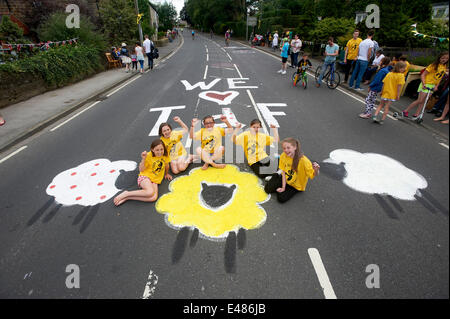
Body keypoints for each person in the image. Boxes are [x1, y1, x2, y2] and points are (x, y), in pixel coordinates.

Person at [113, 139, 172, 206]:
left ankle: (128, 197)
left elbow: (167, 165)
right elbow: (141, 169)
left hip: (155, 180)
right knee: (150, 192)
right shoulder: (148, 156)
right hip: (145, 176)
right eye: (157, 150)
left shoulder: (165, 155)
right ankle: (127, 193)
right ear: (152, 149)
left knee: (153, 197)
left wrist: (166, 173)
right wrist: (143, 159)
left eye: (161, 149)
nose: (160, 152)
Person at [264, 138, 320, 203]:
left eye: (288, 148)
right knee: (267, 189)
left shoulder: (304, 161)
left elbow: (313, 174)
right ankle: (276, 175)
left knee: (281, 198)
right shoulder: (283, 156)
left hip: (295, 186)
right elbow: (284, 172)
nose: (286, 150)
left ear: (295, 147)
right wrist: (283, 187)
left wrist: (316, 170)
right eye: (284, 148)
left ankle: (276, 180)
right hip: (285, 178)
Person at [401, 52, 449, 119]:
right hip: (426, 84)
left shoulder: (444, 67)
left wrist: (436, 86)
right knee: (420, 100)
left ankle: (417, 114)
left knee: (424, 101)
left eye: (446, 58)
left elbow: (439, 78)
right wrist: (424, 84)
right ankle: (405, 111)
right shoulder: (433, 65)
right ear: (439, 57)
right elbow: (423, 74)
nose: (444, 59)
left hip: (432, 86)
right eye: (443, 58)